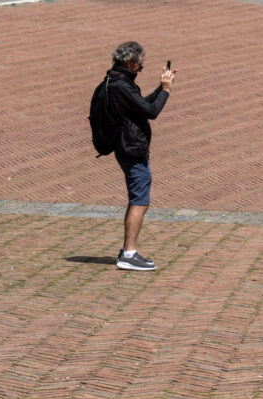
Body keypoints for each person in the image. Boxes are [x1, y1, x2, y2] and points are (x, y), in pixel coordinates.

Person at [107, 41, 175, 271]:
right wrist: (165, 92)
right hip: (131, 148)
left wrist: (160, 87)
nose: (141, 69)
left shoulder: (116, 81)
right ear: (130, 62)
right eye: (140, 65)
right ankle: (129, 254)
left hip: (127, 146)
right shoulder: (122, 86)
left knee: (137, 197)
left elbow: (142, 105)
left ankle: (128, 249)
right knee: (140, 199)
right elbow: (151, 112)